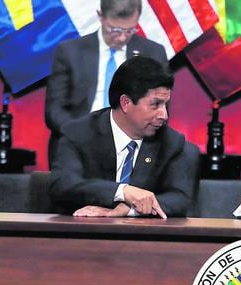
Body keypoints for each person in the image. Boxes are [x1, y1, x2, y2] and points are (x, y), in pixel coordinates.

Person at [49, 56, 198, 218]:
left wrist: (128, 210)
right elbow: (63, 185)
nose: (164, 115)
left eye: (165, 104)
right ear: (125, 102)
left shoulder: (171, 142)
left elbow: (179, 199)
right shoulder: (78, 133)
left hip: (143, 238)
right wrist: (122, 191)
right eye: (155, 104)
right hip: (83, 234)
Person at [44, 0, 167, 161]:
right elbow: (54, 112)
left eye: (130, 30)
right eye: (115, 30)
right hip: (79, 144)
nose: (123, 38)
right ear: (100, 16)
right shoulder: (70, 52)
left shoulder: (153, 54)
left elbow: (158, 110)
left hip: (133, 146)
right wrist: (85, 136)